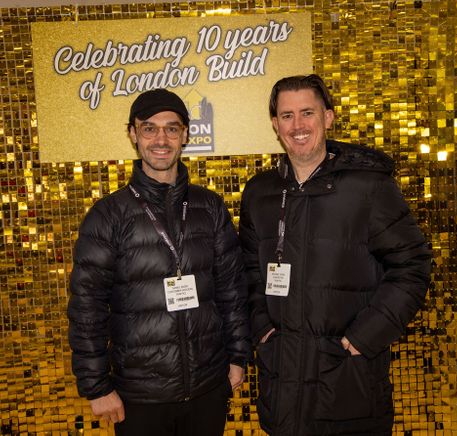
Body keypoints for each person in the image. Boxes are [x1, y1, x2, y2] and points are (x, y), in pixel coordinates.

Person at [239, 74, 432, 435]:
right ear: (275, 124)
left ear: (327, 117)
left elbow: (412, 266)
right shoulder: (260, 193)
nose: (298, 126)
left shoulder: (369, 186)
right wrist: (262, 327)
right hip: (281, 385)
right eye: (287, 115)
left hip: (348, 385)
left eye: (307, 113)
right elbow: (248, 269)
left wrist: (364, 337)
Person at [68, 88, 251, 436]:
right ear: (133, 134)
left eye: (171, 128)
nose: (161, 140)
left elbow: (232, 290)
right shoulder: (108, 215)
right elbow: (87, 307)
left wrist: (238, 356)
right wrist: (97, 386)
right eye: (149, 128)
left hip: (208, 388)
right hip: (140, 397)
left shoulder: (209, 207)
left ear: (185, 135)